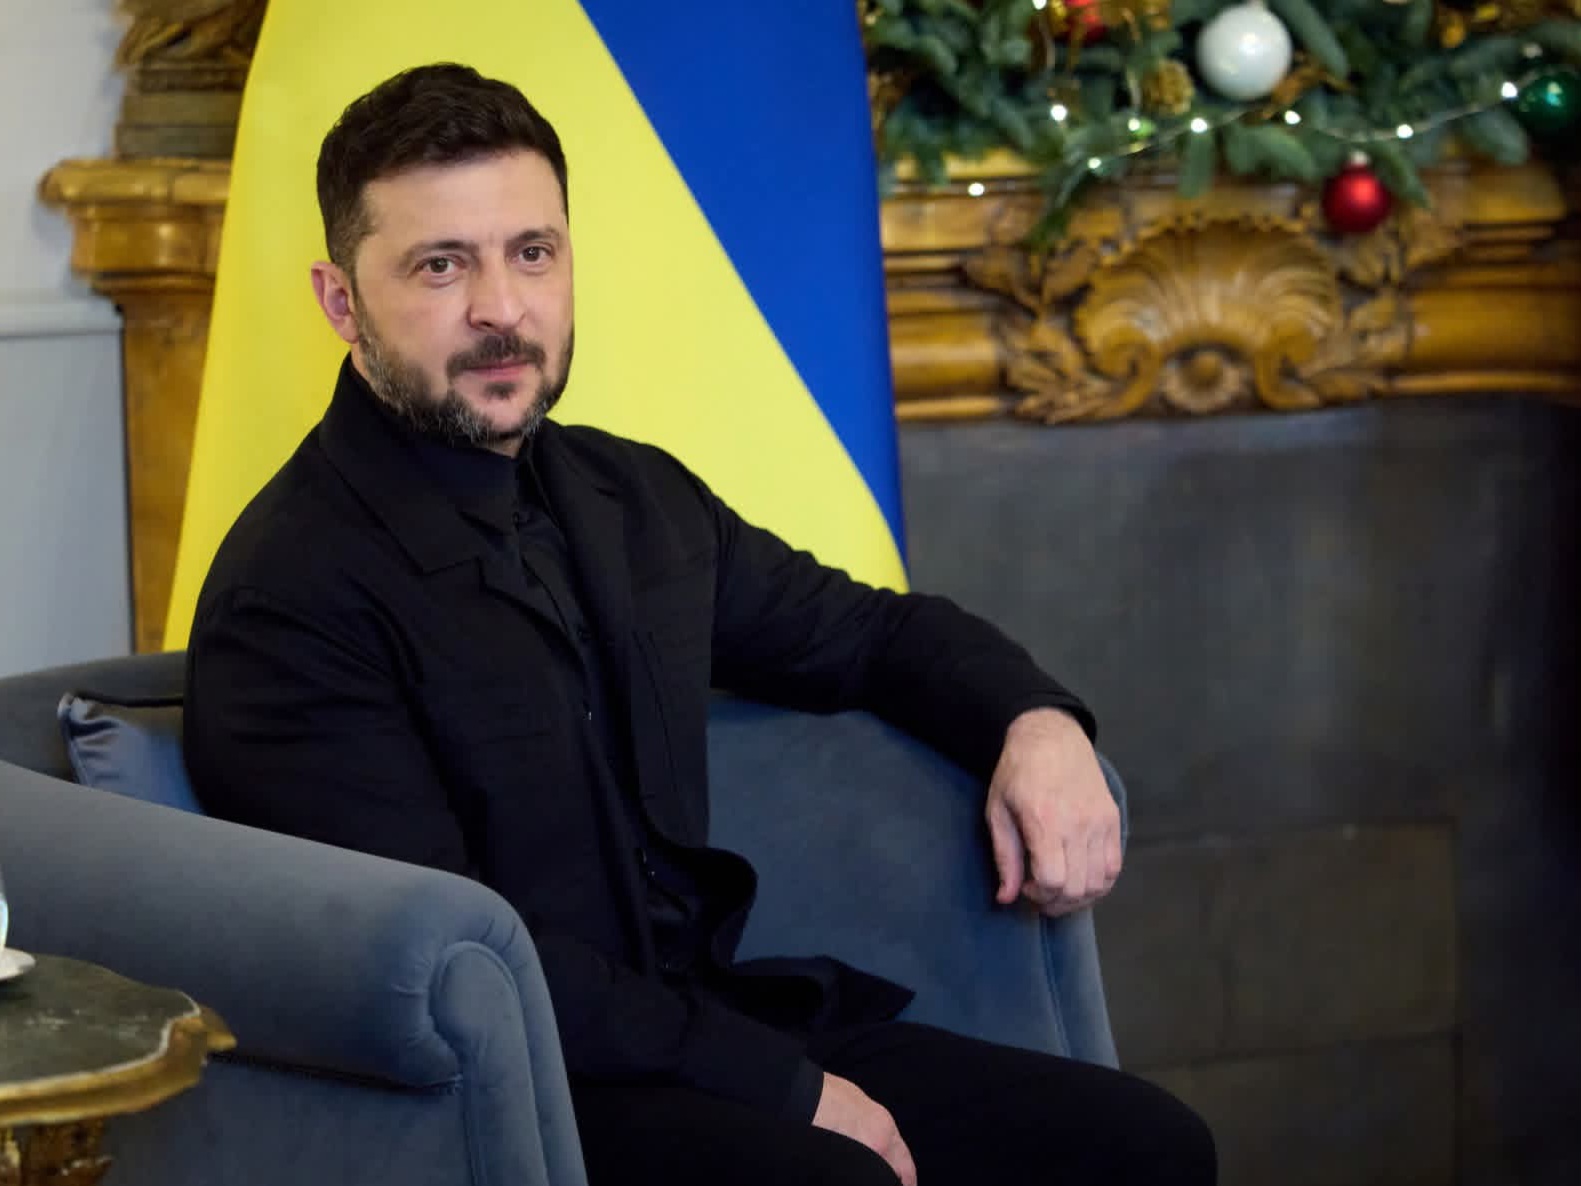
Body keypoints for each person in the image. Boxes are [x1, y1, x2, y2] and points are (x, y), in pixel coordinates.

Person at [183, 63, 1215, 1186]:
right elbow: (448, 964)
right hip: (512, 1095)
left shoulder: (632, 498)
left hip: (715, 1024)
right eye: (442, 265)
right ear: (341, 302)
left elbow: (871, 636)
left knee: (1144, 1146)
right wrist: (787, 1089)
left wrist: (1033, 719)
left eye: (533, 252)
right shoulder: (289, 594)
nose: (502, 309)